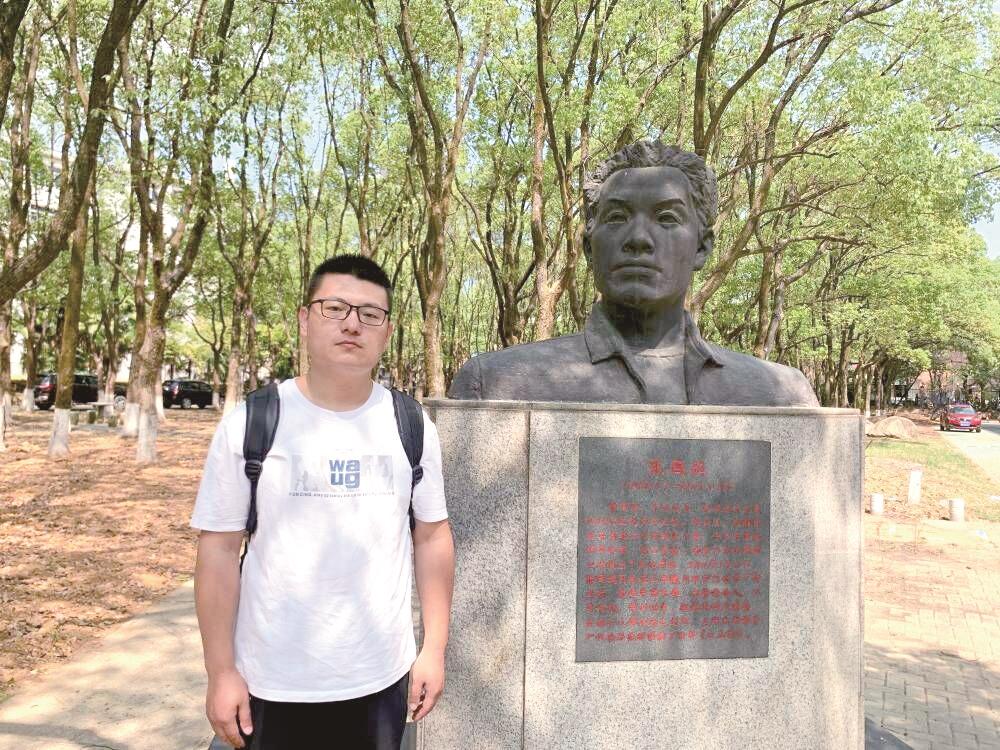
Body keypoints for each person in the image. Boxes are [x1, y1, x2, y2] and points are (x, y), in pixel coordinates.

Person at [192, 254, 454, 749]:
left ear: (387, 331)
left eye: (370, 314)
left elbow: (432, 537)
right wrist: (220, 671)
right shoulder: (252, 421)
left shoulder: (411, 424)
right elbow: (219, 551)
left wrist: (433, 650)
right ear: (305, 319)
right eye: (334, 308)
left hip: (380, 681)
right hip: (270, 682)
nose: (352, 324)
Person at [449, 140, 818, 407]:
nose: (639, 238)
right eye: (617, 217)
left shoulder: (780, 394)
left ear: (702, 248)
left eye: (667, 218)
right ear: (589, 248)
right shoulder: (495, 384)